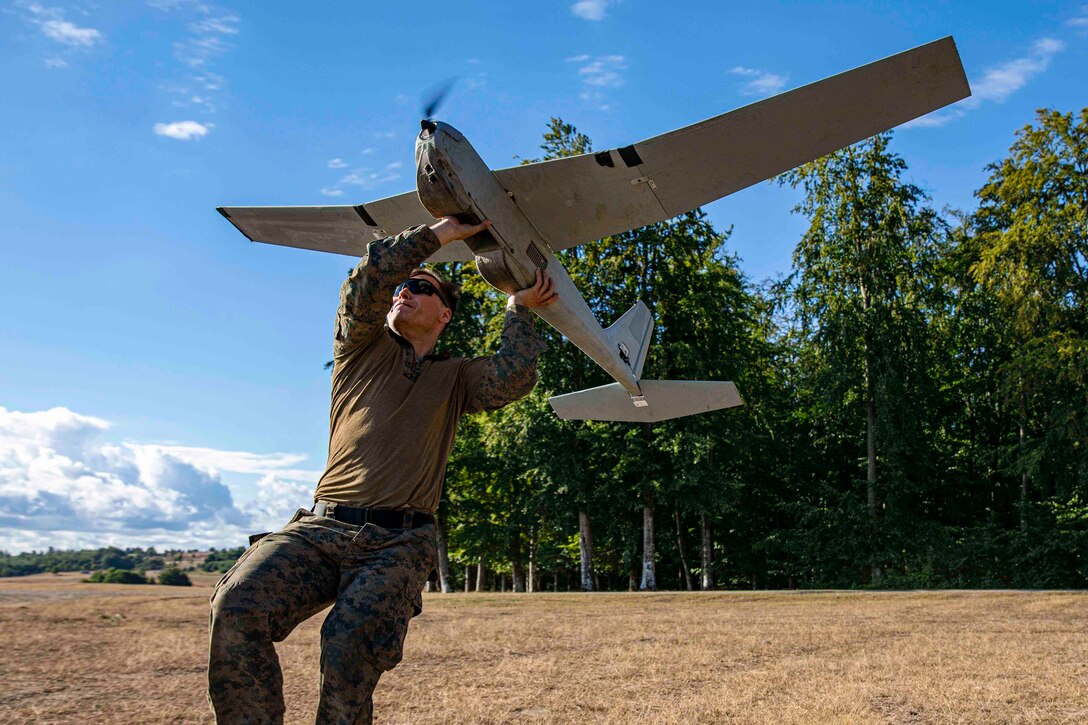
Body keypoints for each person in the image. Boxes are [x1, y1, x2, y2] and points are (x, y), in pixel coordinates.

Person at [208, 216, 557, 724]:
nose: (404, 291)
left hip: (398, 543)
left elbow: (511, 378)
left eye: (420, 288)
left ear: (444, 316)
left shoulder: (456, 378)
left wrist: (518, 310)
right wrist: (440, 234)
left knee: (350, 648)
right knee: (237, 604)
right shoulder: (359, 348)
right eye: (403, 286)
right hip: (321, 529)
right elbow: (366, 282)